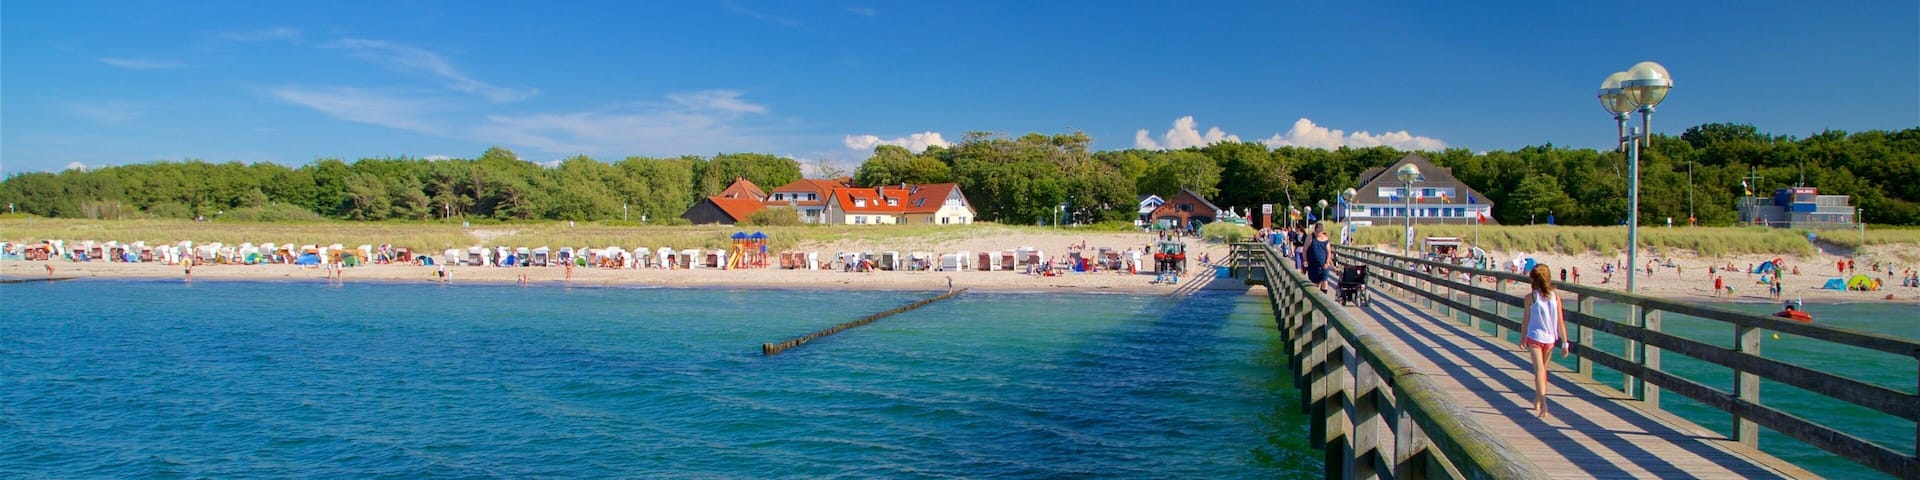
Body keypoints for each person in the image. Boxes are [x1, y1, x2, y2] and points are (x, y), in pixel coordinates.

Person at [1521, 263, 1569, 419]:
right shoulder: (1555, 298)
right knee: (1543, 372)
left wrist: (1523, 337)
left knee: (1539, 371)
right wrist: (1565, 343)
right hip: (1550, 339)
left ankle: (1544, 404)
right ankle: (1538, 399)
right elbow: (1560, 322)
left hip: (1535, 337)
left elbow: (1526, 320)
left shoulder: (1530, 298)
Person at [1305, 228, 1333, 294]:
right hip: (1313, 264)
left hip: (1324, 264)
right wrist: (1305, 260)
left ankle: (1324, 296)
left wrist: (1327, 263)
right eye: (1316, 232)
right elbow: (1305, 250)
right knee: (1316, 283)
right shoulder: (1311, 238)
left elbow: (1329, 252)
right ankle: (1317, 295)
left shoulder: (1326, 239)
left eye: (1319, 232)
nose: (1317, 234)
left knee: (1324, 281)